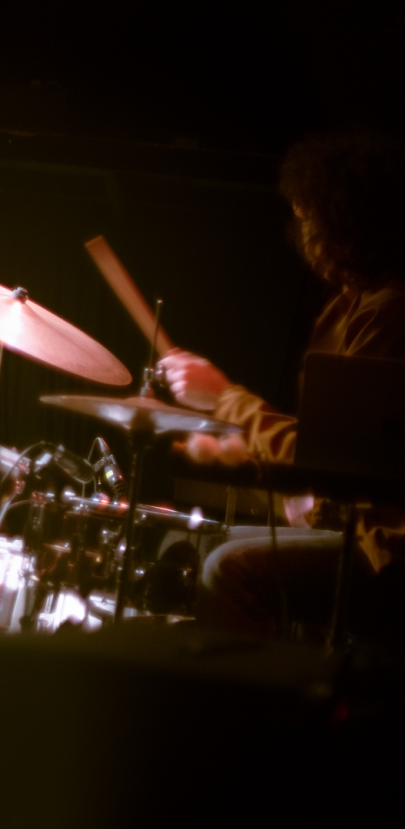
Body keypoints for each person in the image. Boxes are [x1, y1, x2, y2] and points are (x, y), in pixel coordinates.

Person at [158, 128, 405, 641]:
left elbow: (336, 461)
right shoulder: (347, 305)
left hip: (388, 550)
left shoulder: (391, 311)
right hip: (359, 529)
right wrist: (262, 466)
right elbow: (330, 450)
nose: (304, 237)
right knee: (208, 543)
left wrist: (224, 396)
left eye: (310, 219)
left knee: (230, 569)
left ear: (348, 222)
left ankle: (262, 695)